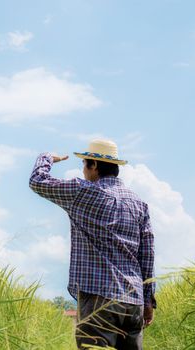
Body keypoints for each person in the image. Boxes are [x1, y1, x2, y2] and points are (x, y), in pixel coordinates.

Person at [29, 139, 156, 349]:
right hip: (133, 302)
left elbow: (37, 181)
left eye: (84, 164)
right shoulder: (139, 204)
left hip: (99, 299)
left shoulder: (83, 191)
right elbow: (147, 255)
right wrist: (148, 300)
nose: (84, 171)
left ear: (94, 165)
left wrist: (48, 157)